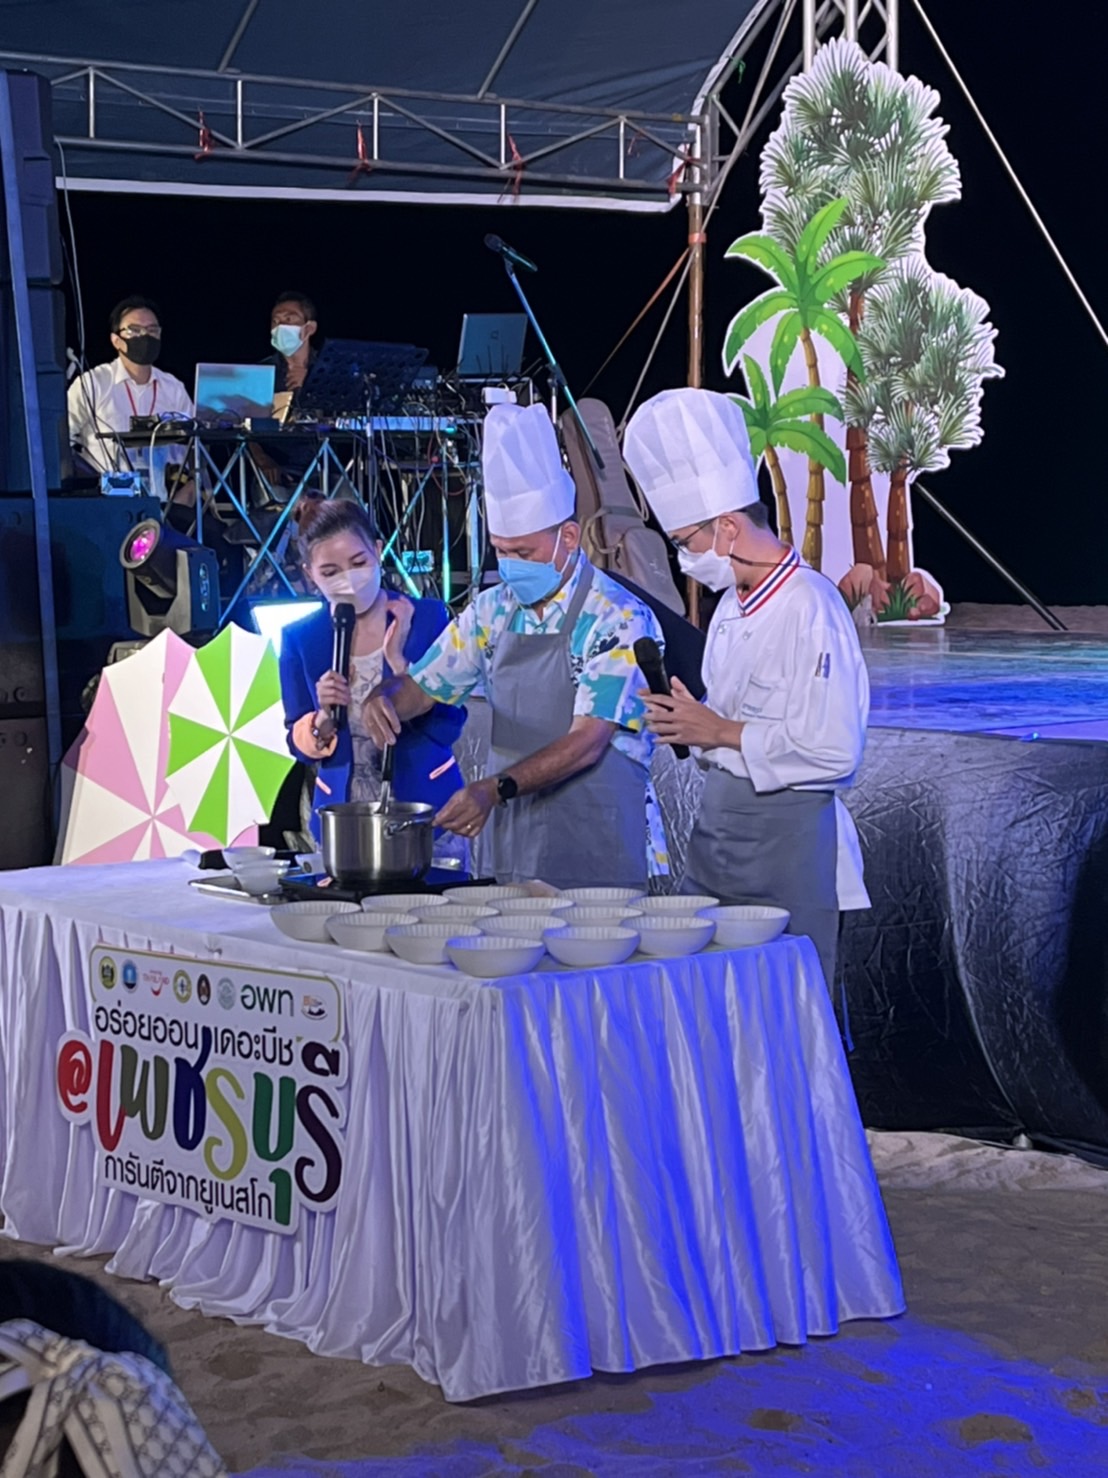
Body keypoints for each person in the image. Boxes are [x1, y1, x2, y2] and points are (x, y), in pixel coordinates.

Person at [623, 387, 870, 989]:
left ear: (728, 527)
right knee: (708, 1001)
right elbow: (730, 719)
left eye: (685, 542)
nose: (684, 558)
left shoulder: (811, 606)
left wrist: (721, 731)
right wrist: (692, 719)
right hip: (720, 837)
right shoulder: (732, 607)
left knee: (787, 1004)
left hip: (788, 843)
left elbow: (835, 750)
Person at [363, 402, 665, 890]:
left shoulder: (620, 617)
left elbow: (587, 742)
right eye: (501, 551)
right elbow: (425, 686)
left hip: (599, 835)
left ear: (569, 537)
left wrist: (493, 789)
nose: (510, 565)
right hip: (514, 838)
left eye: (523, 552)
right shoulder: (492, 610)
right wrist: (386, 699)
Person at [278, 495, 466, 843]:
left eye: (358, 562)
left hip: (428, 815)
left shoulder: (426, 618)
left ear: (378, 551)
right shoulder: (301, 638)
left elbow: (448, 724)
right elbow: (297, 743)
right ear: (310, 574)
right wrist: (322, 720)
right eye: (330, 572)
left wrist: (400, 665)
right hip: (343, 823)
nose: (349, 580)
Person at [67, 295, 195, 510]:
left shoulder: (173, 388)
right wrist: (89, 484)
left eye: (152, 330)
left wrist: (190, 488)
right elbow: (60, 442)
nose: (144, 336)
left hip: (165, 504)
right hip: (108, 502)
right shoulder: (93, 383)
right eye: (134, 330)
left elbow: (193, 448)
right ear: (116, 340)